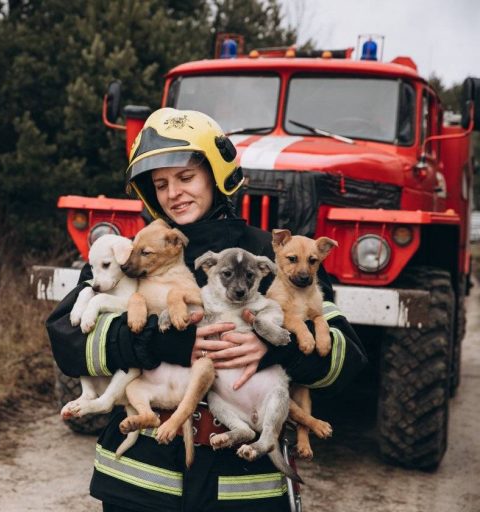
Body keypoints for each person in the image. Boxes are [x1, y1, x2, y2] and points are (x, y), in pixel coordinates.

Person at [47, 108, 367, 512]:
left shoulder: (274, 258)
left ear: (216, 175)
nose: (173, 193)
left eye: (185, 178)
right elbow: (67, 340)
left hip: (242, 485)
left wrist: (276, 349)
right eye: (160, 184)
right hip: (141, 484)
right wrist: (162, 342)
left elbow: (346, 358)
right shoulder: (133, 252)